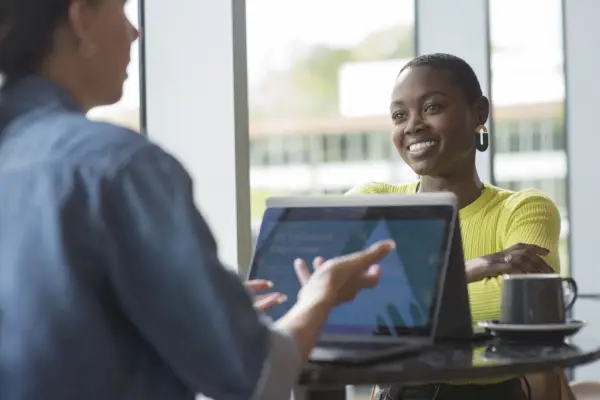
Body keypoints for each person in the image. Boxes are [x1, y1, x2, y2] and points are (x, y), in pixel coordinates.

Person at [0, 0, 397, 399]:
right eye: (122, 11)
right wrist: (320, 296)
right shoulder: (118, 166)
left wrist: (205, 306)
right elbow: (256, 378)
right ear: (81, 19)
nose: (135, 33)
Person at [348, 53, 571, 400]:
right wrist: (471, 270)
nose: (413, 125)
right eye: (399, 115)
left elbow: (514, 308)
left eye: (432, 107)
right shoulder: (375, 200)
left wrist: (401, 295)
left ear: (479, 113)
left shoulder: (524, 209)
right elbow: (340, 302)